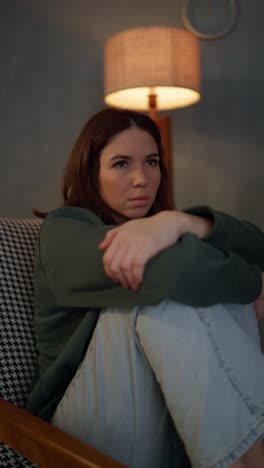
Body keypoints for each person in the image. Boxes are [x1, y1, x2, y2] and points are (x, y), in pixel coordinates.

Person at [27, 107, 264, 468]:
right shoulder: (64, 230)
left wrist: (181, 221)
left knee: (196, 287)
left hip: (166, 423)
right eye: (121, 164)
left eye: (151, 162)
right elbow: (171, 273)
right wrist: (256, 283)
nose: (141, 178)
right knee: (160, 293)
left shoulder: (162, 229)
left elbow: (257, 244)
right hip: (76, 432)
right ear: (91, 172)